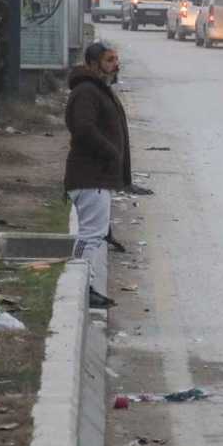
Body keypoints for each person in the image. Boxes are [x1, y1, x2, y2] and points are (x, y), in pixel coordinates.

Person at [64, 42, 131, 309]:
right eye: (109, 60)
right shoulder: (87, 92)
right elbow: (83, 129)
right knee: (90, 235)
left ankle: (87, 285)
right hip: (90, 176)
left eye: (116, 59)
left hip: (98, 177)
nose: (115, 65)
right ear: (92, 64)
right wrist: (111, 152)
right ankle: (80, 284)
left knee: (95, 234)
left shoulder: (97, 90)